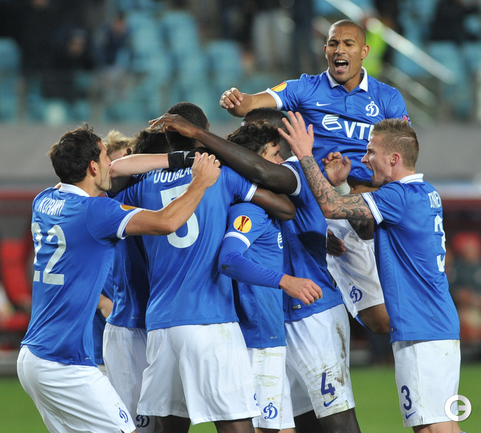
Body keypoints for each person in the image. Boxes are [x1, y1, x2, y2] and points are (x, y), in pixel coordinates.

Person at [113, 102, 321, 433]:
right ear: (203, 133)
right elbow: (285, 209)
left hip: (160, 324)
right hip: (210, 320)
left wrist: (176, 160)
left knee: (168, 427)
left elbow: (114, 170)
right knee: (237, 425)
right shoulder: (222, 176)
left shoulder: (143, 185)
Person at [150, 107, 361, 433]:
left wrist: (199, 135)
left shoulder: (289, 173)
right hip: (272, 321)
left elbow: (271, 185)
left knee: (333, 417)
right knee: (295, 422)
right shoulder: (249, 200)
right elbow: (239, 250)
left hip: (309, 313)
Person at [17, 123, 221, 433]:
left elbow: (114, 169)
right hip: (64, 362)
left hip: (32, 356)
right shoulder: (96, 212)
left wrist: (178, 159)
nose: (112, 165)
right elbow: (167, 222)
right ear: (92, 167)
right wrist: (200, 183)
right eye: (105, 158)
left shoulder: (44, 200)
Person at [219, 18, 411, 334]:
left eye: (348, 44)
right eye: (333, 44)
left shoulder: (388, 97)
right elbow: (253, 103)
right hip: (326, 204)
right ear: (325, 50)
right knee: (382, 321)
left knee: (401, 313)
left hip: (372, 202)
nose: (339, 50)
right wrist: (238, 101)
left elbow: (403, 154)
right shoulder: (305, 88)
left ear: (364, 51)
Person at [282, 112, 462, 433]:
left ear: (394, 158)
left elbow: (331, 208)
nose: (364, 160)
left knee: (431, 428)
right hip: (436, 324)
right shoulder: (425, 192)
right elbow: (364, 229)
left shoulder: (398, 197)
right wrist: (341, 185)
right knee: (442, 425)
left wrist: (306, 155)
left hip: (421, 329)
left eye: (371, 152)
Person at [218, 123, 296, 432]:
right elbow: (229, 259)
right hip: (257, 337)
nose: (281, 162)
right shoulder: (249, 211)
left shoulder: (266, 207)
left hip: (269, 334)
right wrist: (284, 280)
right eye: (275, 155)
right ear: (255, 161)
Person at [103, 127, 172, 433]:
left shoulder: (157, 191)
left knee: (164, 421)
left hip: (163, 323)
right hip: (130, 325)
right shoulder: (117, 196)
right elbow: (114, 172)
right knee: (135, 425)